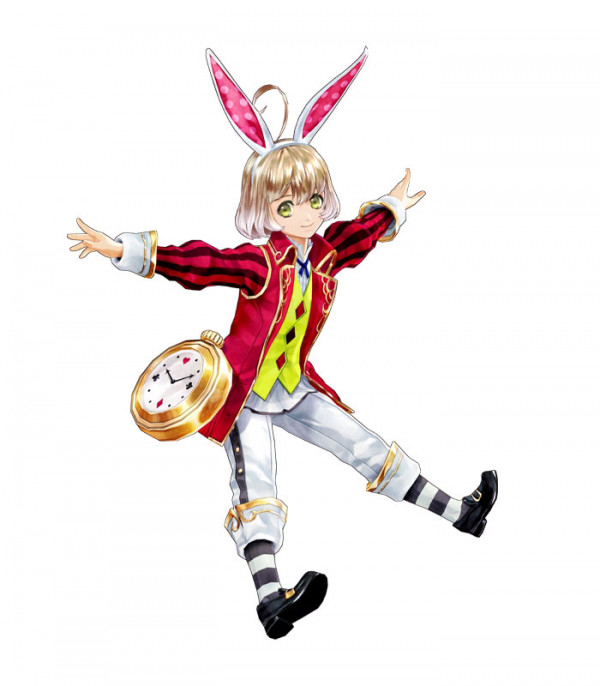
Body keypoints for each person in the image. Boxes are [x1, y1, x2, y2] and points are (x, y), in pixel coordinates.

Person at [68, 48, 498, 639]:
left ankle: (461, 513)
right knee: (257, 484)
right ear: (264, 208)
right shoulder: (258, 263)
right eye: (288, 205)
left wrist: (393, 206)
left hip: (293, 385)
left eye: (314, 201)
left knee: (365, 445)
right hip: (241, 391)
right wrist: (126, 250)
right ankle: (272, 600)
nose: (304, 214)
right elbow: (202, 263)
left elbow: (359, 235)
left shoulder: (323, 255)